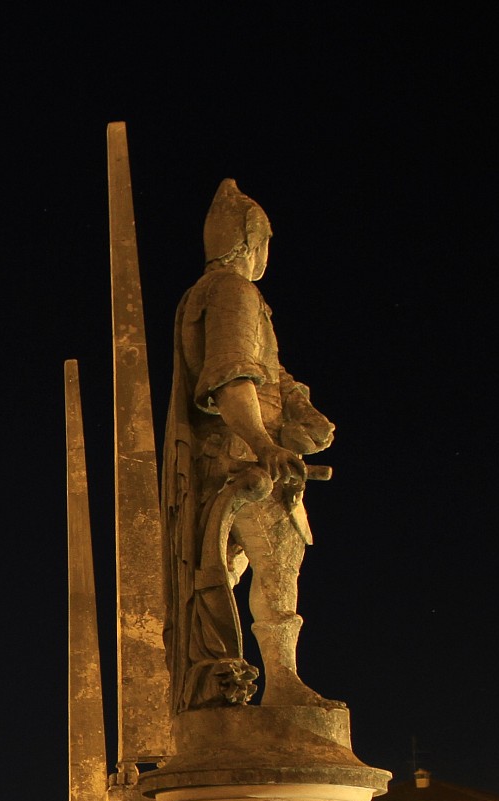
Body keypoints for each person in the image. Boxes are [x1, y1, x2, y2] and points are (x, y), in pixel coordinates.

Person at [163, 180, 334, 710]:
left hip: (230, 463)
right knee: (277, 567)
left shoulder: (212, 296)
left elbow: (271, 378)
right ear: (248, 241)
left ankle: (222, 686)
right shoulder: (235, 292)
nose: (267, 252)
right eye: (264, 240)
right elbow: (231, 379)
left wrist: (303, 413)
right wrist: (266, 446)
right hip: (245, 465)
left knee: (222, 581)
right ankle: (283, 682)